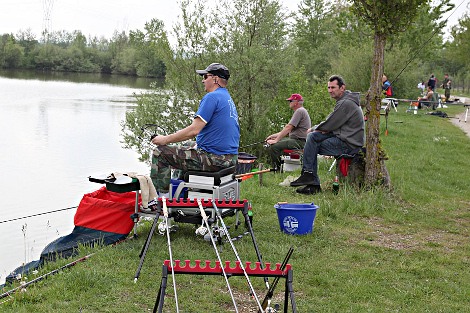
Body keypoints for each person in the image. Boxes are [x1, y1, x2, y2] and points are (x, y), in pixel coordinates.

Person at [149, 63, 240, 195]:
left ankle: (161, 200)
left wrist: (164, 140)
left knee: (160, 153)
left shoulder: (212, 97)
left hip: (215, 159)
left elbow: (194, 130)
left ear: (215, 79)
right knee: (187, 145)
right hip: (229, 158)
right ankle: (179, 190)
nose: (203, 80)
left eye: (205, 76)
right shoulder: (226, 97)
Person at [290, 75, 365, 194]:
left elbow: (330, 124)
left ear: (342, 88)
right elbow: (329, 121)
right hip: (342, 137)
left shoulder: (346, 103)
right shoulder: (343, 101)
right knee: (312, 138)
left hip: (350, 144)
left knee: (312, 142)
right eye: (329, 87)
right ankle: (310, 178)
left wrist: (313, 129)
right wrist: (316, 130)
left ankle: (311, 180)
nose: (330, 90)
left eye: (333, 87)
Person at [265, 93, 311, 170]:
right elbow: (288, 129)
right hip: (296, 141)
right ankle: (281, 167)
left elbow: (288, 128)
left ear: (296, 102)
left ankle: (277, 169)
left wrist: (276, 140)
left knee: (274, 147)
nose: (289, 103)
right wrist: (274, 136)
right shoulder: (301, 111)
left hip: (299, 142)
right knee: (278, 143)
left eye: (291, 101)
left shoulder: (299, 111)